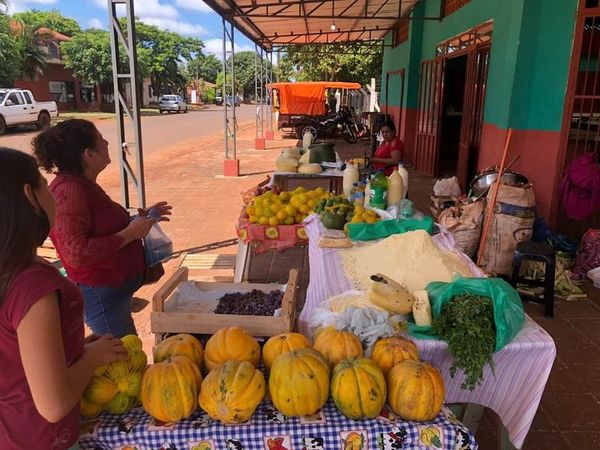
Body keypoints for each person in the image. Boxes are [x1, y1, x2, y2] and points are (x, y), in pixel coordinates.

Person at [0, 147, 129, 450]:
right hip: (37, 439)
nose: (53, 191)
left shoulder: (12, 269)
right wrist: (93, 358)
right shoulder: (33, 286)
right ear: (29, 196)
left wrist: (74, 348)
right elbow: (54, 403)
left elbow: (14, 353)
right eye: (44, 184)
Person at [32, 119, 172, 338]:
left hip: (115, 289)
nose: (107, 143)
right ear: (88, 153)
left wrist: (141, 218)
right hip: (100, 291)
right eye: (101, 140)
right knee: (124, 361)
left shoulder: (83, 184)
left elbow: (102, 226)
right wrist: (130, 233)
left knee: (126, 352)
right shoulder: (69, 192)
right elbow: (75, 253)